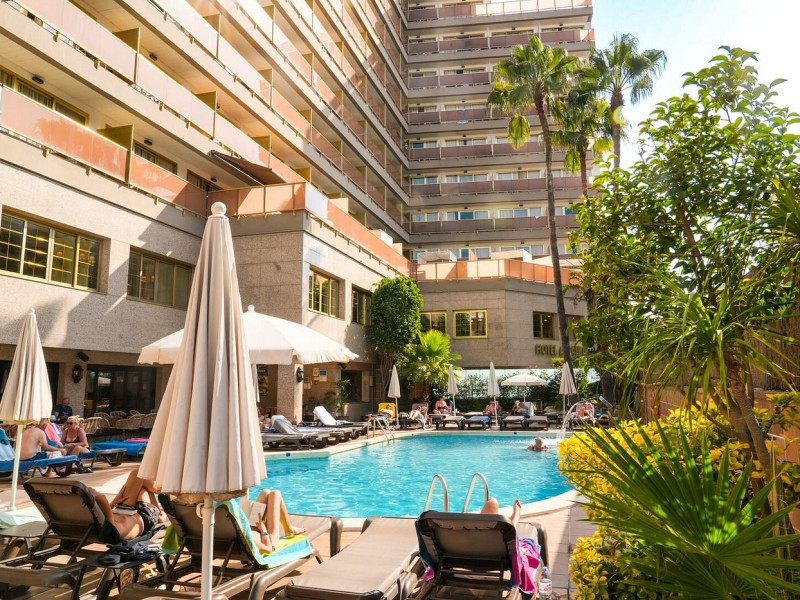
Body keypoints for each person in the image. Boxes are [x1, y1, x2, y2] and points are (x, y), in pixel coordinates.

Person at [89, 469, 166, 540]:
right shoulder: (110, 530)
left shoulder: (100, 518)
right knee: (143, 487)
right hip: (143, 515)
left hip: (125, 509)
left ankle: (163, 491)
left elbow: (101, 503)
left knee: (138, 473)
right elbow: (100, 498)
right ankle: (165, 496)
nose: (97, 492)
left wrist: (115, 501)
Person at [249, 488, 306, 554]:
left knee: (266, 492)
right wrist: (263, 530)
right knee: (276, 494)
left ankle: (289, 528)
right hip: (268, 540)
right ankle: (289, 529)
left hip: (252, 528)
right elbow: (268, 550)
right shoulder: (251, 543)